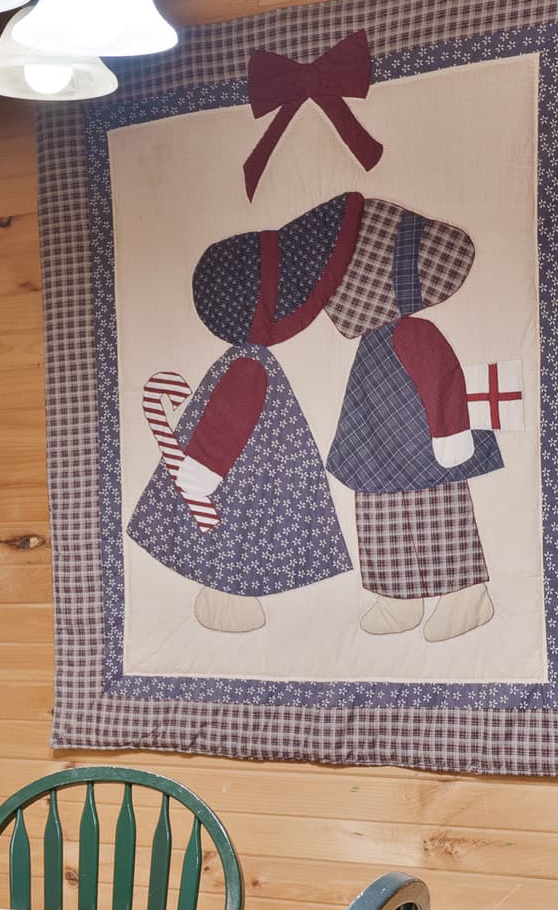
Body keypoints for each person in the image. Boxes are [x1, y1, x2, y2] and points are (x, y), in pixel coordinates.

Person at [127, 196, 360, 632]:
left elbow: (225, 423)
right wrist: (201, 470)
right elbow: (225, 422)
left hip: (234, 470)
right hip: (236, 471)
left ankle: (229, 598)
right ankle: (229, 598)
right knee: (244, 526)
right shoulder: (249, 364)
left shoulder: (247, 363)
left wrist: (199, 472)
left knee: (242, 526)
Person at [322, 197, 502, 644]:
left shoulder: (413, 331)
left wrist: (450, 433)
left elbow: (443, 380)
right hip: (375, 450)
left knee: (439, 517)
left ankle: (464, 594)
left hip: (427, 452)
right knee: (382, 521)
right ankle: (398, 597)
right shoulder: (376, 338)